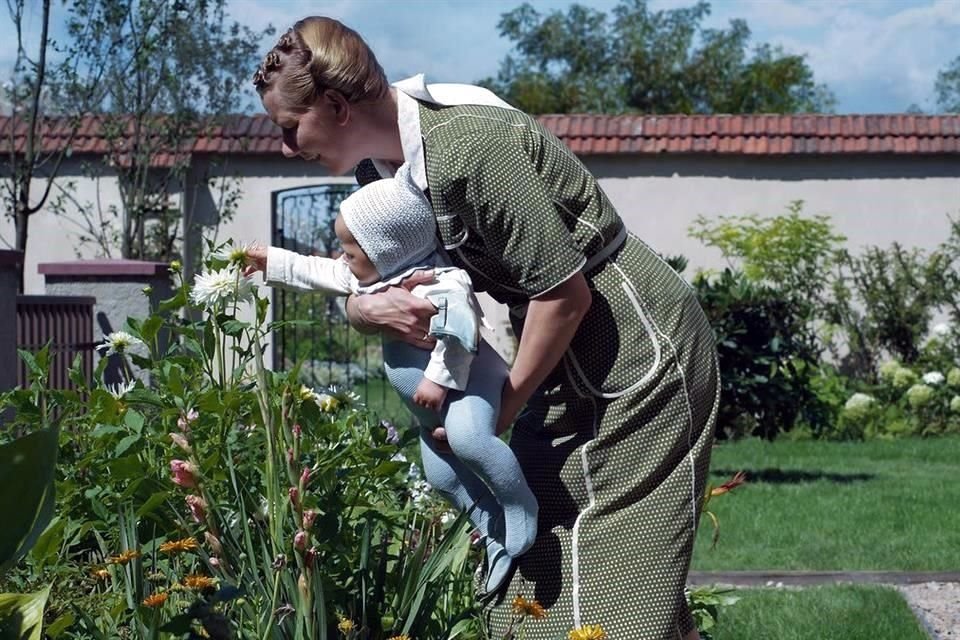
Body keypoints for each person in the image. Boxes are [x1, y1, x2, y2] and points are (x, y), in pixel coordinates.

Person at [252, 16, 720, 640]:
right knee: (534, 559)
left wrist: (506, 405)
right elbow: (364, 284)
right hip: (555, 355)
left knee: (618, 584)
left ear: (336, 105)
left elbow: (565, 295)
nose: (286, 148)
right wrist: (366, 310)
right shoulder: (381, 176)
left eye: (290, 128)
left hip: (634, 348)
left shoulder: (471, 147)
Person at [245, 164, 538, 593]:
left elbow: (460, 334)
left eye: (350, 249)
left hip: (467, 384)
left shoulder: (441, 283)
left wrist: (437, 380)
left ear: (386, 248)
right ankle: (491, 526)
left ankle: (519, 505)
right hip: (428, 407)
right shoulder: (373, 277)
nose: (341, 256)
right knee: (442, 477)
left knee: (471, 440)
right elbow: (317, 271)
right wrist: (269, 260)